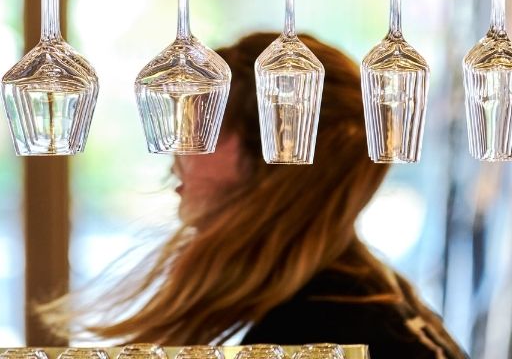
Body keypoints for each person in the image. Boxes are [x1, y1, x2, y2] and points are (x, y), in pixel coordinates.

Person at [41, 32, 467, 359]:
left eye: (203, 127)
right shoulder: (358, 297)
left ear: (273, 150)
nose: (177, 156)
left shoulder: (316, 329)